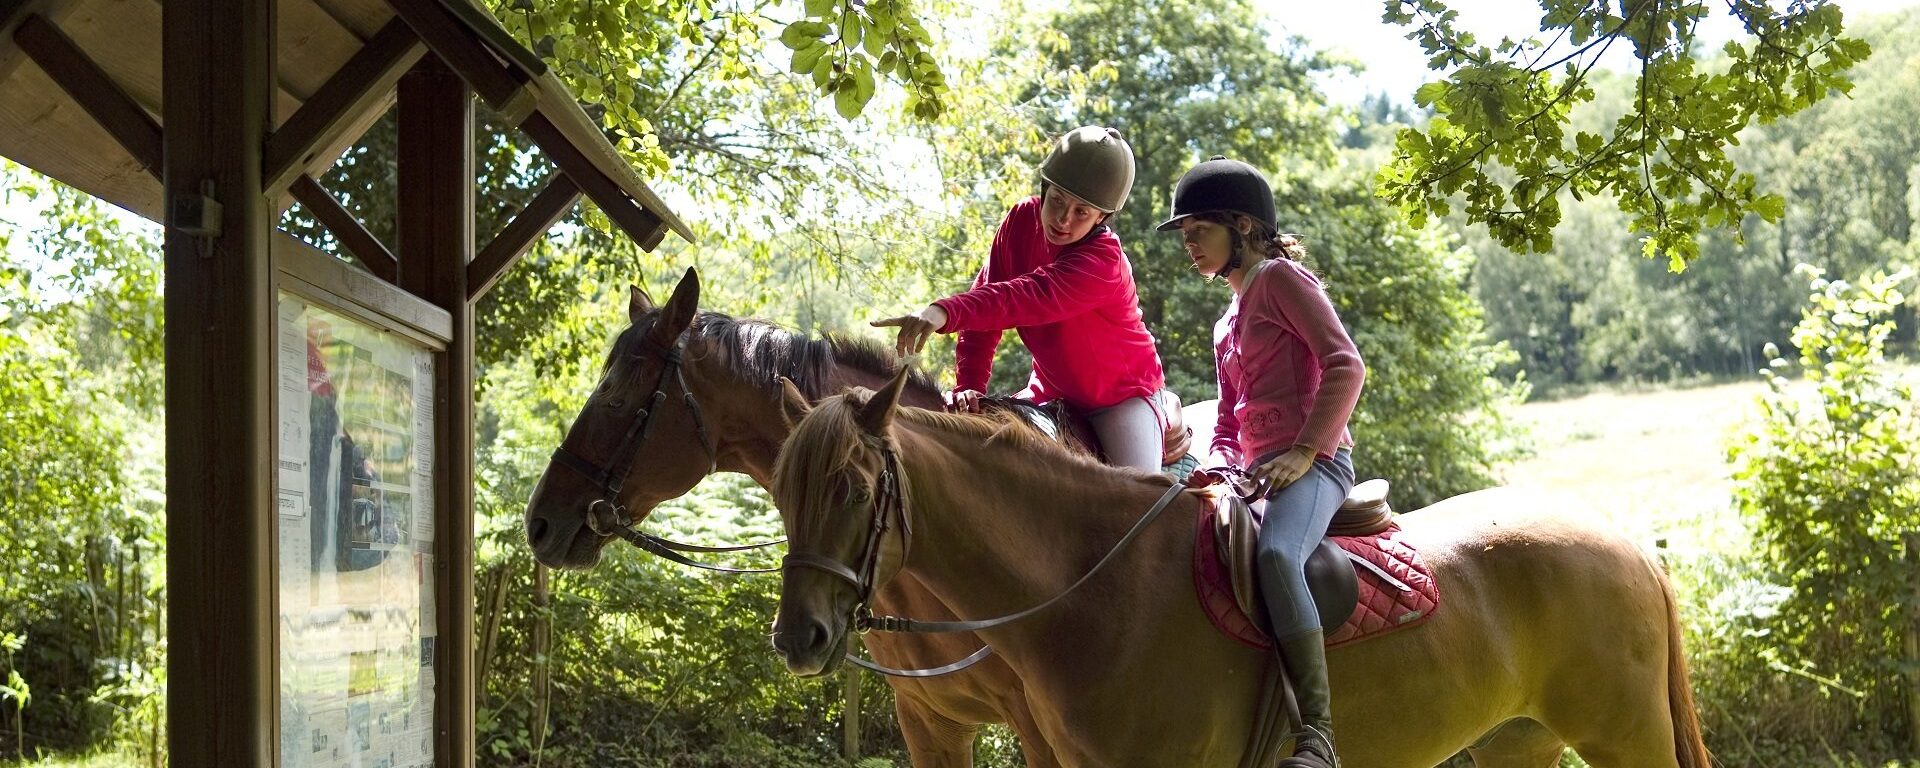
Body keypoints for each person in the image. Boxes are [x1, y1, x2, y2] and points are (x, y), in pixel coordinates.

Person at [1162, 156, 1365, 768]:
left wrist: (1307, 450)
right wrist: (1217, 470)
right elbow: (1226, 423)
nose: (1190, 244)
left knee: (1278, 554)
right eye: (1186, 235)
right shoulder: (1225, 321)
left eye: (1200, 230)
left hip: (1318, 465)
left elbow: (1345, 365)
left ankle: (1318, 736)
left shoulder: (1282, 281)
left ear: (1242, 226)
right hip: (1256, 474)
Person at [872, 126, 1170, 471]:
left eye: (1081, 212)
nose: (1063, 219)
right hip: (1049, 391)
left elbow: (1024, 297)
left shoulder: (1104, 261)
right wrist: (969, 385)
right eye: (1057, 200)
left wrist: (942, 312)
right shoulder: (1020, 221)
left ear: (1102, 218)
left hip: (1121, 399)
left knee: (1136, 502)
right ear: (1044, 189)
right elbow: (986, 302)